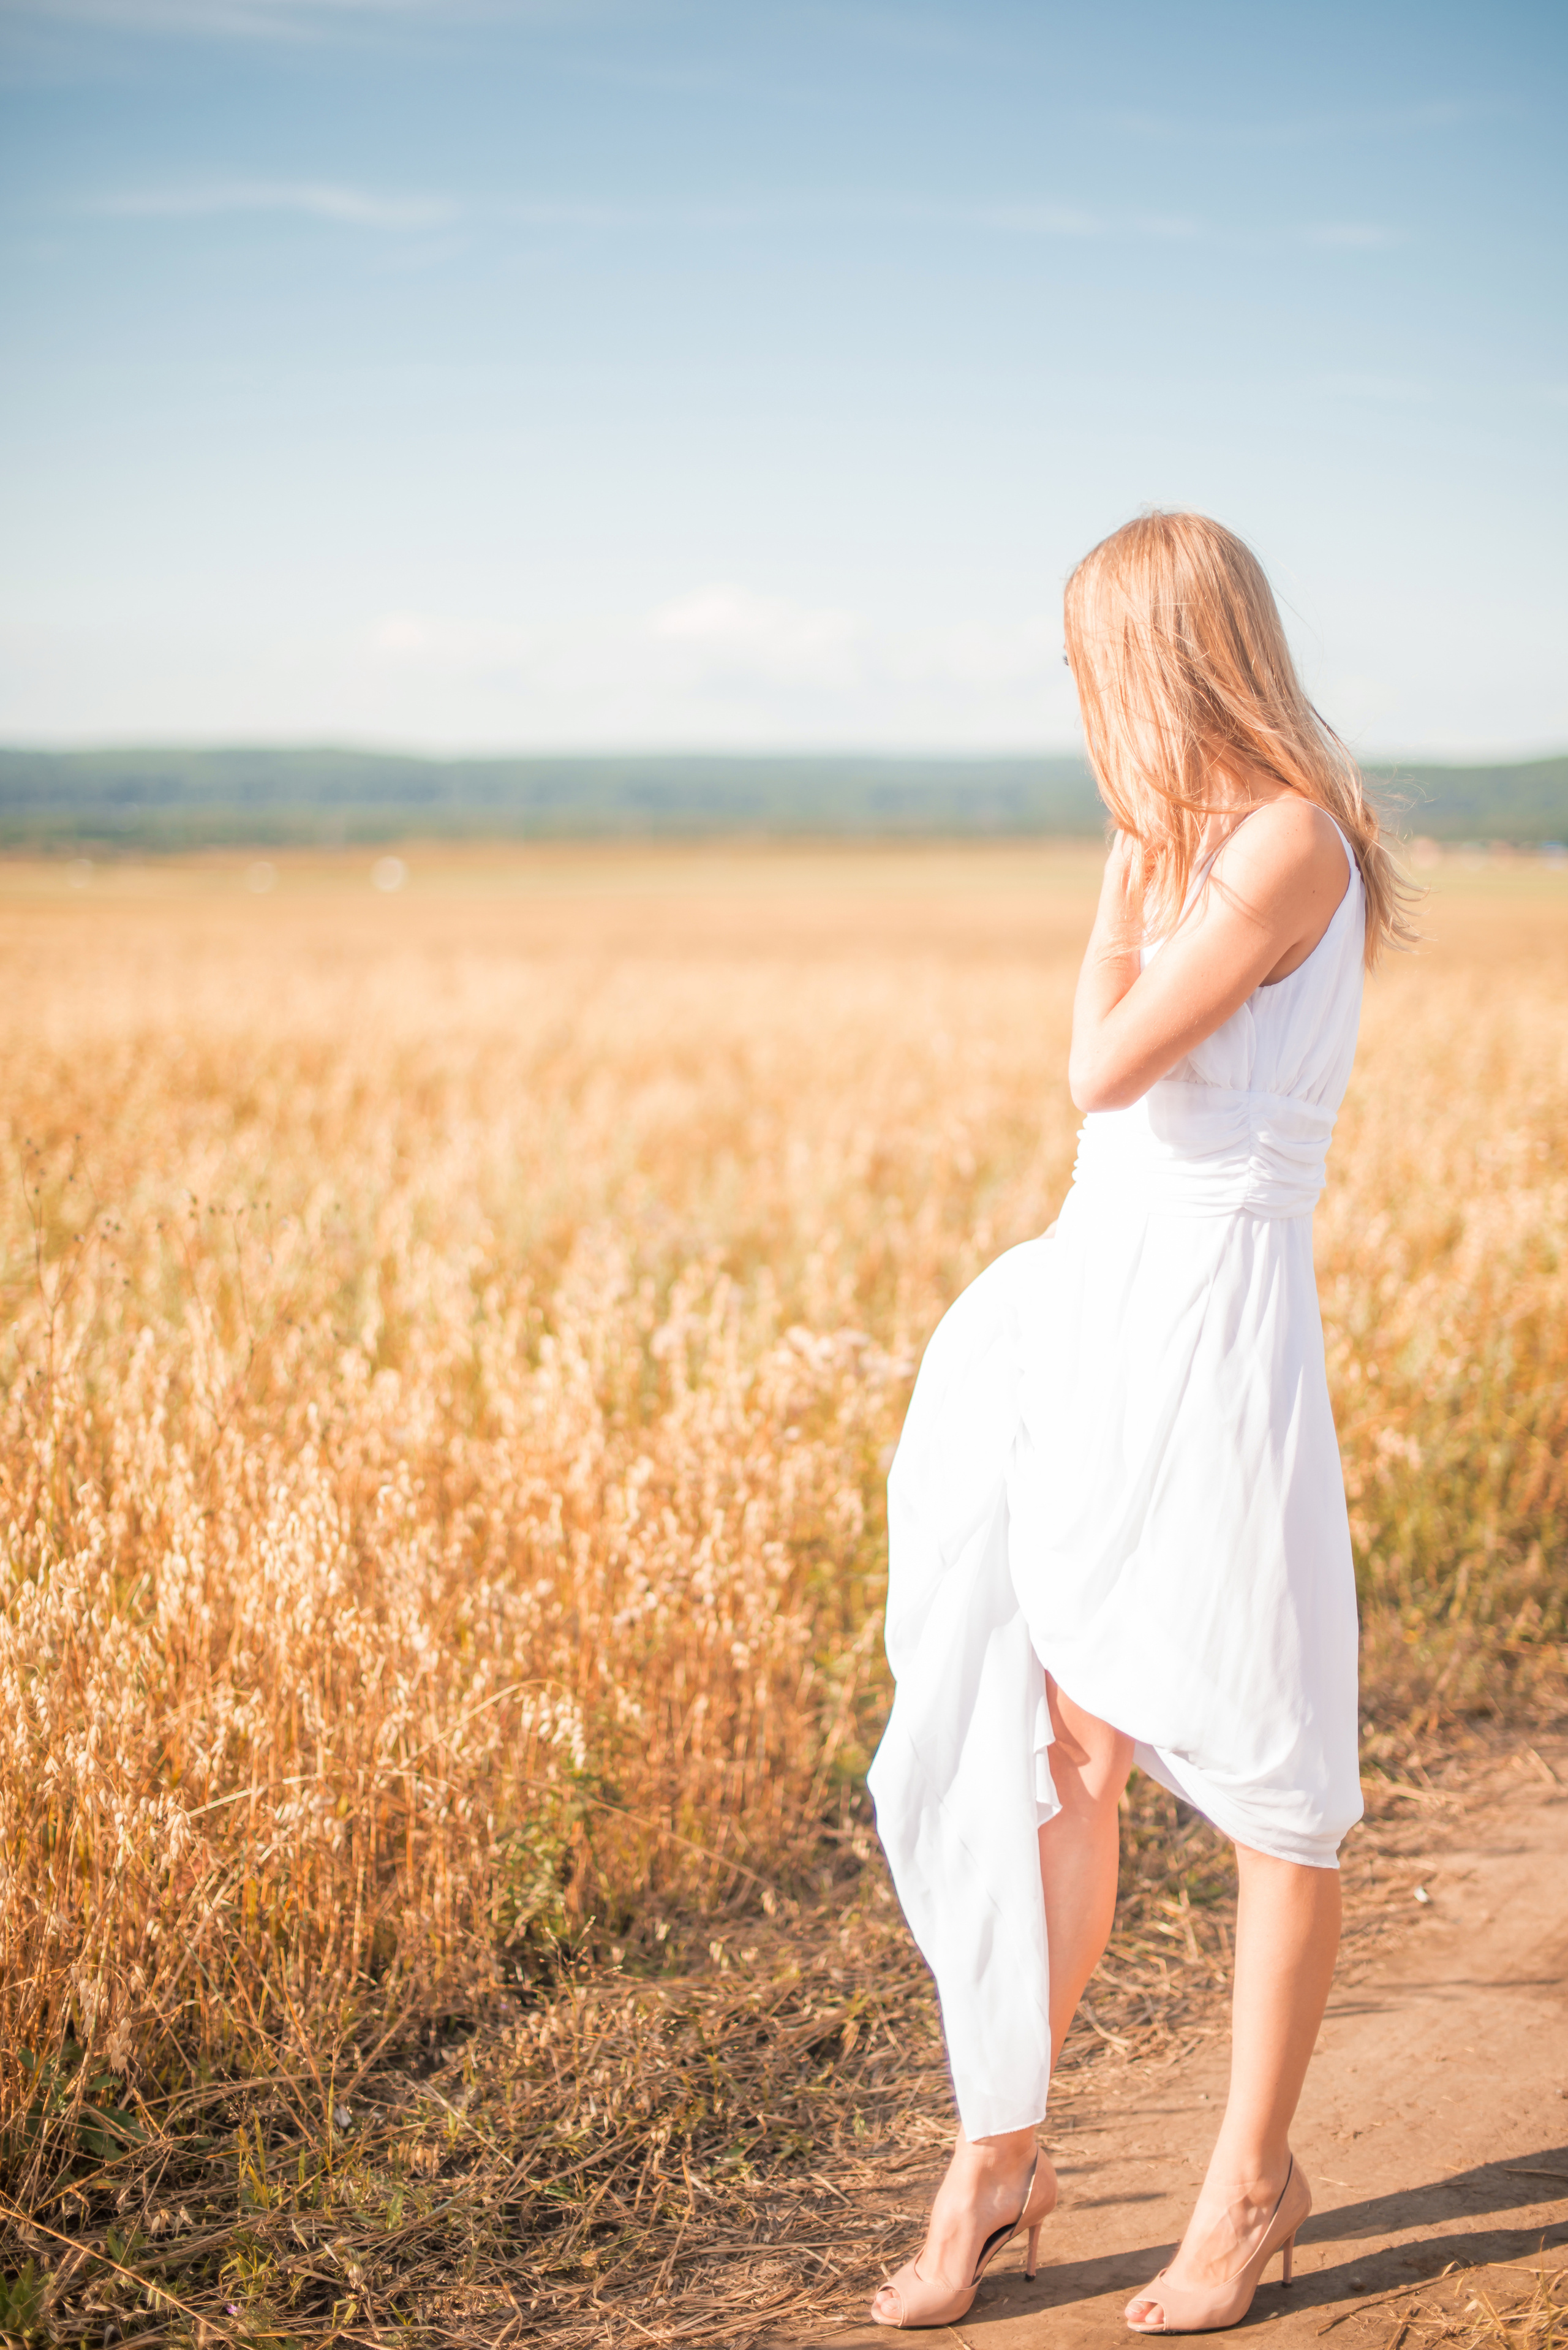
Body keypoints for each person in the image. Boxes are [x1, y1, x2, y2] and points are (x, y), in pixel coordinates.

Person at [865, 512, 1416, 2332]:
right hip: (1103, 1309)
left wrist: (1105, 927)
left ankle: (1249, 2185)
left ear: (1171, 654)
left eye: (1099, 661)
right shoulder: (1190, 844)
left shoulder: (1281, 843)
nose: (1086, 702)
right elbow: (1108, 1110)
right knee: (1068, 1750)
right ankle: (999, 2151)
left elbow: (1101, 1065)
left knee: (1274, 1781)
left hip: (1216, 1332)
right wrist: (1120, 905)